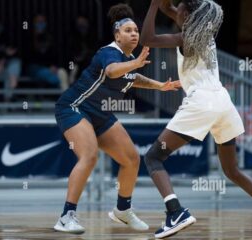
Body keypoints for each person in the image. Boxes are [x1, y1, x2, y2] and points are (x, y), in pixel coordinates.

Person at [140, 0, 252, 238]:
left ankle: (175, 213)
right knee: (232, 170)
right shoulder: (204, 34)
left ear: (187, 15)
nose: (176, 11)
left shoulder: (184, 38)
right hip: (223, 103)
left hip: (201, 103)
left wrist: (152, 5)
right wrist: (164, 5)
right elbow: (169, 9)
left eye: (179, 8)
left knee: (154, 157)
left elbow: (147, 40)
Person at [53, 3, 181, 234]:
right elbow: (113, 71)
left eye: (136, 31)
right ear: (117, 35)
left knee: (131, 158)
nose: (134, 34)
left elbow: (133, 77)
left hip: (100, 113)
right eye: (128, 31)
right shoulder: (109, 52)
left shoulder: (129, 59)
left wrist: (160, 86)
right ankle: (66, 216)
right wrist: (135, 63)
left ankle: (122, 210)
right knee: (89, 155)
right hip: (74, 107)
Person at [26, 15, 69, 90]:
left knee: (58, 72)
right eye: (38, 22)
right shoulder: (28, 38)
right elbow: (28, 58)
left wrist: (53, 66)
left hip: (49, 68)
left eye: (42, 22)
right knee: (54, 78)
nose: (40, 24)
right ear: (34, 23)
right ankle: (64, 84)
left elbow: (54, 55)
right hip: (34, 68)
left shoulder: (50, 38)